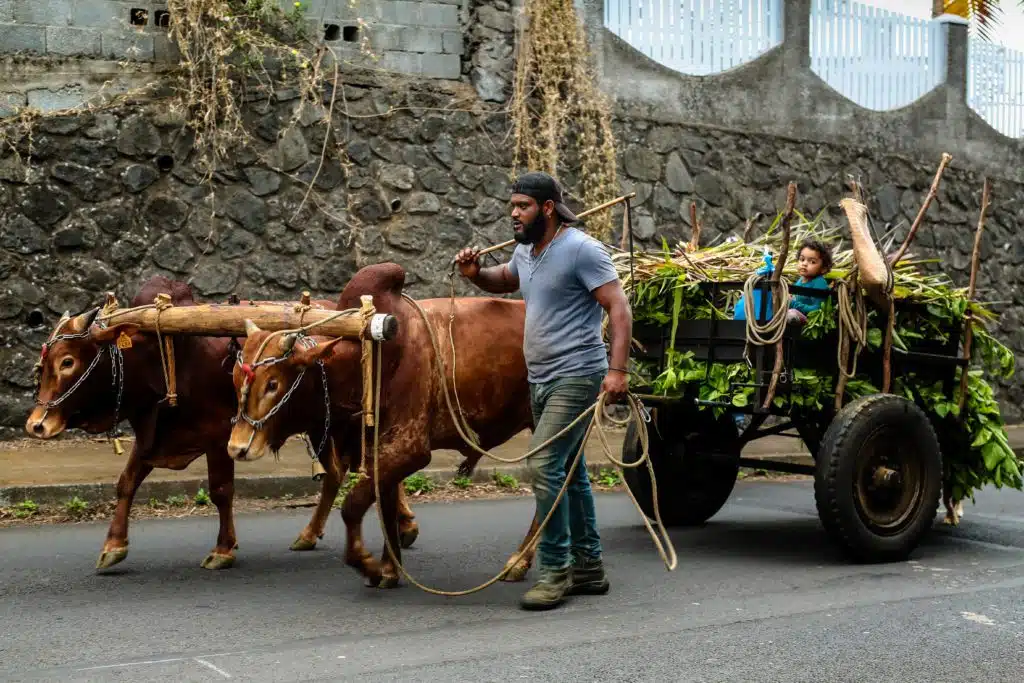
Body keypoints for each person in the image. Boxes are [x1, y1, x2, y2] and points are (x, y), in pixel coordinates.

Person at [455, 171, 633, 611]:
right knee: (569, 471)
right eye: (512, 205)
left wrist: (617, 371)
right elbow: (506, 280)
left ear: (547, 208)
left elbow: (619, 307)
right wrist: (476, 273)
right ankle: (589, 568)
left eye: (523, 206)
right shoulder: (525, 250)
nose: (513, 213)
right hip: (541, 376)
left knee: (544, 462)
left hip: (577, 374)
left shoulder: (581, 250)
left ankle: (555, 570)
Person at [786, 237, 833, 325]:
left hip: (810, 322)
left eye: (812, 262)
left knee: (791, 314)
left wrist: (792, 303)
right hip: (796, 313)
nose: (804, 264)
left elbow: (818, 310)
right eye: (802, 259)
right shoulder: (801, 279)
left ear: (823, 268)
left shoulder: (819, 283)